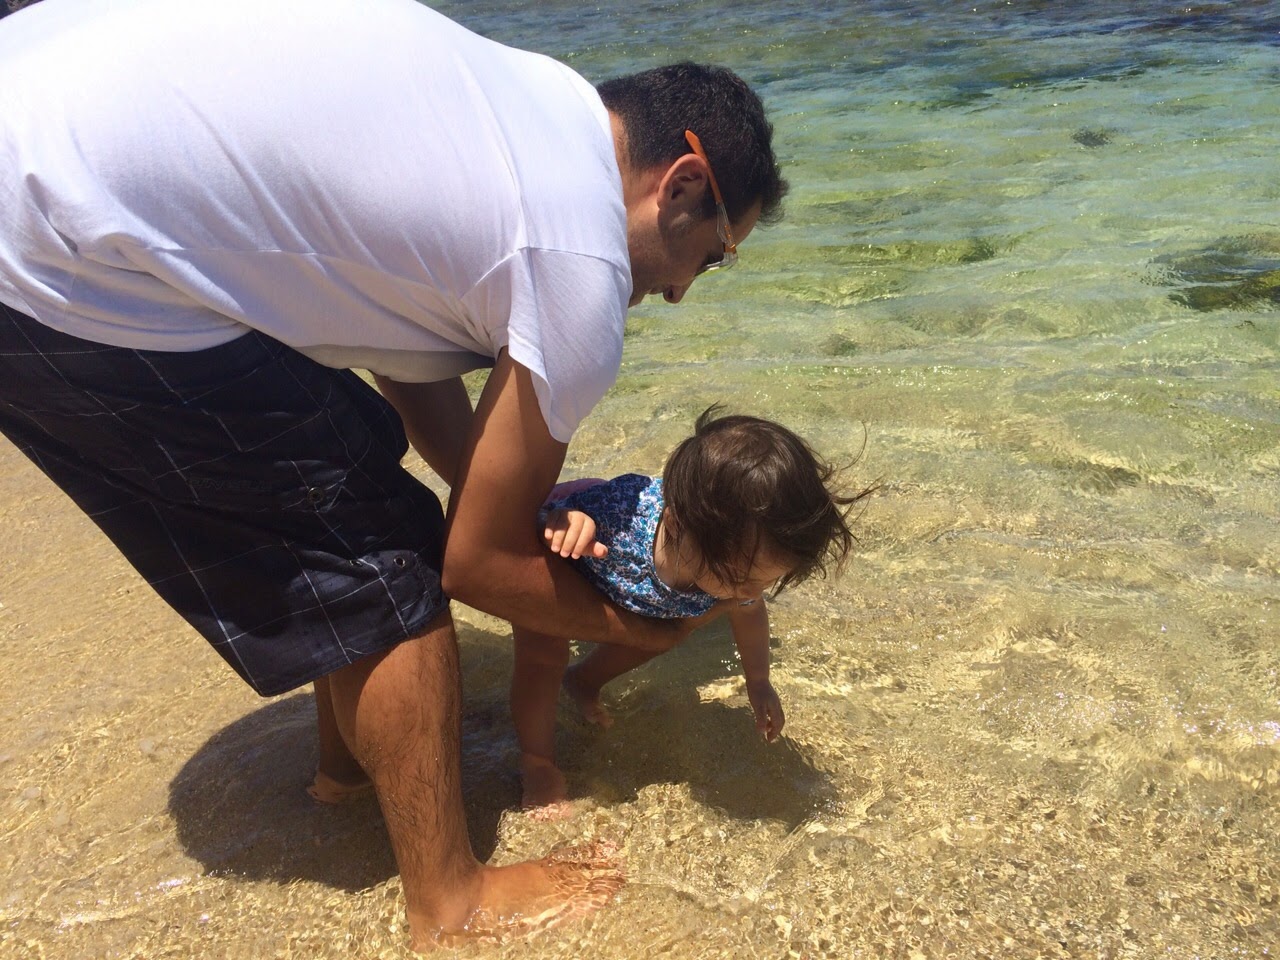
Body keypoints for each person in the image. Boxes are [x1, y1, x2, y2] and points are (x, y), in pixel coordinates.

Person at [0, 0, 787, 948]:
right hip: (48, 233)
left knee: (347, 484)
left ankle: (341, 776)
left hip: (35, 106)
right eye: (713, 256)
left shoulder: (533, 109)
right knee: (389, 558)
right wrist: (647, 628)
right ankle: (450, 901)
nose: (682, 291)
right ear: (684, 182)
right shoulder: (580, 261)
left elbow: (399, 357)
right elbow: (471, 565)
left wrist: (517, 503)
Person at [510, 408, 870, 812]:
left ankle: (583, 681)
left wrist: (758, 680)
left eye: (765, 582)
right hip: (571, 564)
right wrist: (564, 523)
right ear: (679, 526)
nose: (751, 593)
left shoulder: (732, 560)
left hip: (638, 594)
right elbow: (525, 525)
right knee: (542, 654)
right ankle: (537, 761)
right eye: (742, 579)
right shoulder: (619, 516)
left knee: (655, 636)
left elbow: (749, 610)